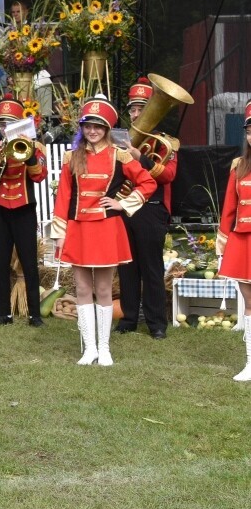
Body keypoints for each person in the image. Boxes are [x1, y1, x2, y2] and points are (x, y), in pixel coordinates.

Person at [50, 97, 155, 366]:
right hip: (78, 228)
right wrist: (60, 233)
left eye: (98, 126)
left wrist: (123, 204)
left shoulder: (119, 155)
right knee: (83, 288)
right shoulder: (71, 157)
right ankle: (89, 349)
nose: (92, 131)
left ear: (107, 129)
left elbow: (147, 182)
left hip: (107, 228)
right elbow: (63, 197)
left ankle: (105, 348)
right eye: (88, 126)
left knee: (104, 288)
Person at [117, 78, 178, 340]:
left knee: (152, 267)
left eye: (142, 108)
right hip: (124, 207)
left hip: (151, 209)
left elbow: (168, 175)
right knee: (126, 266)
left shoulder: (166, 143)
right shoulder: (119, 139)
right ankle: (129, 318)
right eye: (133, 109)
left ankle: (156, 324)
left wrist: (139, 157)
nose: (136, 114)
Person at [0, 97, 47, 327]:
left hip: (24, 208)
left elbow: (39, 176)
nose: (5, 128)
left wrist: (29, 156)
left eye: (10, 123)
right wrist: (0, 158)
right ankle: (4, 314)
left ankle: (35, 315)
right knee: (0, 262)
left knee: (29, 262)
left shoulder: (35, 147)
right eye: (2, 124)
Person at [214, 103, 251, 381]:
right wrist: (223, 244)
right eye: (249, 130)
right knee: (249, 303)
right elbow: (229, 208)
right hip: (242, 241)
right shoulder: (238, 166)